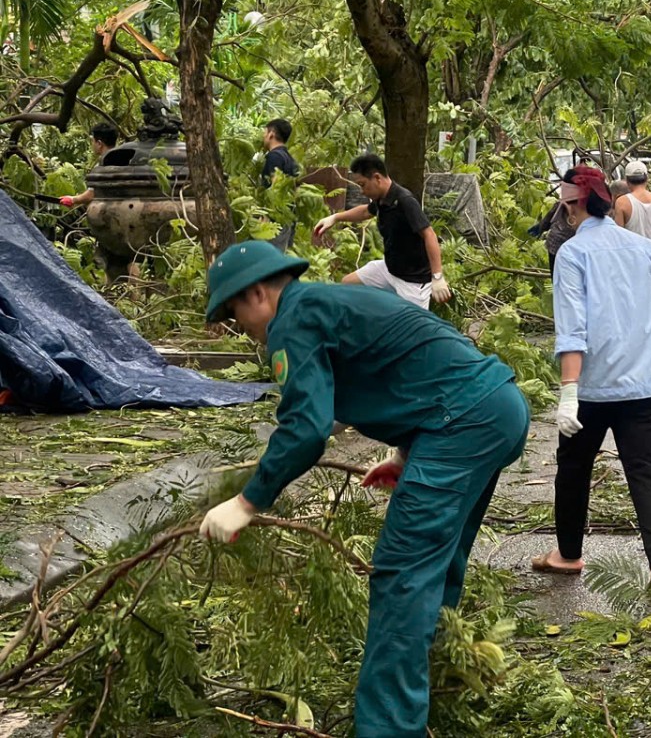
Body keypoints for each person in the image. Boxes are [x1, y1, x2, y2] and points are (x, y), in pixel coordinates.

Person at [199, 241, 528, 738]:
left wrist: (248, 501)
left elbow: (305, 430)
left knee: (402, 576)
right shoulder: (339, 302)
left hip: (461, 423)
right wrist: (404, 454)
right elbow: (418, 361)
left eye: (233, 313)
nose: (241, 327)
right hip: (495, 407)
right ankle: (443, 682)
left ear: (258, 293)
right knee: (437, 569)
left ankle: (389, 729)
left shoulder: (294, 320)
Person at [534, 167, 651, 598]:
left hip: (593, 387)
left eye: (565, 205)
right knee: (648, 471)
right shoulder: (643, 249)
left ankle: (569, 554)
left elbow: (572, 330)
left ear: (574, 206)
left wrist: (568, 393)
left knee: (574, 469)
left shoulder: (573, 255)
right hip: (647, 382)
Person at [313, 154, 450, 309]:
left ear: (377, 178)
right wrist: (335, 218)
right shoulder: (382, 198)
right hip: (388, 270)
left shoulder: (405, 201)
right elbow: (365, 212)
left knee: (410, 331)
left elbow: (429, 235)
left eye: (362, 184)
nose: (362, 191)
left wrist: (437, 277)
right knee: (347, 284)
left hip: (413, 282)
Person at [614, 160, 651, 271]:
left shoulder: (622, 202)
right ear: (647, 179)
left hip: (631, 258)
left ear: (627, 181)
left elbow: (618, 235)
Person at [261, 118, 301, 250]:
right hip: (287, 217)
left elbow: (276, 189)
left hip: (275, 220)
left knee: (270, 260)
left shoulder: (275, 157)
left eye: (265, 132)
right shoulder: (289, 157)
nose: (263, 135)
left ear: (271, 134)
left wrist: (266, 215)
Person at [59, 123, 119, 208]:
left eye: (92, 140)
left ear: (99, 143)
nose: (92, 144)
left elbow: (91, 194)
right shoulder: (123, 159)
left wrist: (72, 199)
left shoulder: (102, 166)